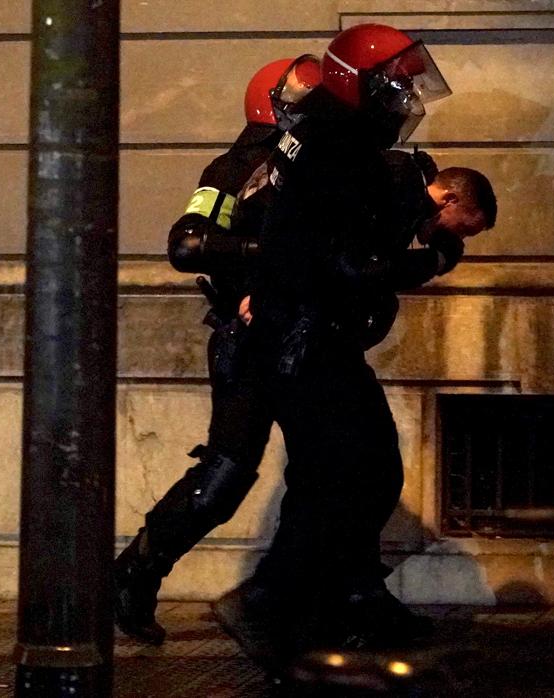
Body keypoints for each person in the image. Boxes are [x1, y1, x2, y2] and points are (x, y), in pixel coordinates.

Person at [208, 23, 470, 672]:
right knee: (342, 473)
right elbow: (354, 262)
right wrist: (430, 259)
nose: (407, 95)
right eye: (399, 83)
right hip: (303, 336)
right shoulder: (336, 148)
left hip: (308, 332)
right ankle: (274, 601)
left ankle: (347, 598)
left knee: (362, 467)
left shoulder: (331, 139)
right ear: (363, 83)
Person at [112, 55, 321, 646]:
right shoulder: (235, 169)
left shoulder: (319, 170)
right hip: (251, 341)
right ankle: (134, 572)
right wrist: (270, 256)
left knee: (330, 469)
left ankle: (300, 595)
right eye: (307, 101)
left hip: (307, 338)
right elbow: (189, 243)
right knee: (226, 473)